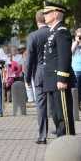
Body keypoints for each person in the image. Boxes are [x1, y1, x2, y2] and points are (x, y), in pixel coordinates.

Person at [42, 1, 75, 136]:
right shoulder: (53, 32)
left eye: (47, 12)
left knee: (63, 115)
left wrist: (62, 78)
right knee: (56, 114)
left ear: (55, 14)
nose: (44, 15)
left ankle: (68, 142)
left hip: (58, 79)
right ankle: (62, 140)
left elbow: (64, 57)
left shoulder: (62, 31)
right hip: (51, 79)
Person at [25, 10, 50, 144]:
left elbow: (29, 59)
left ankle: (42, 135)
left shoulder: (33, 36)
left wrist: (27, 78)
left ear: (36, 21)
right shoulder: (54, 33)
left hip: (39, 73)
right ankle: (61, 132)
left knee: (41, 106)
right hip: (54, 73)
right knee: (56, 104)